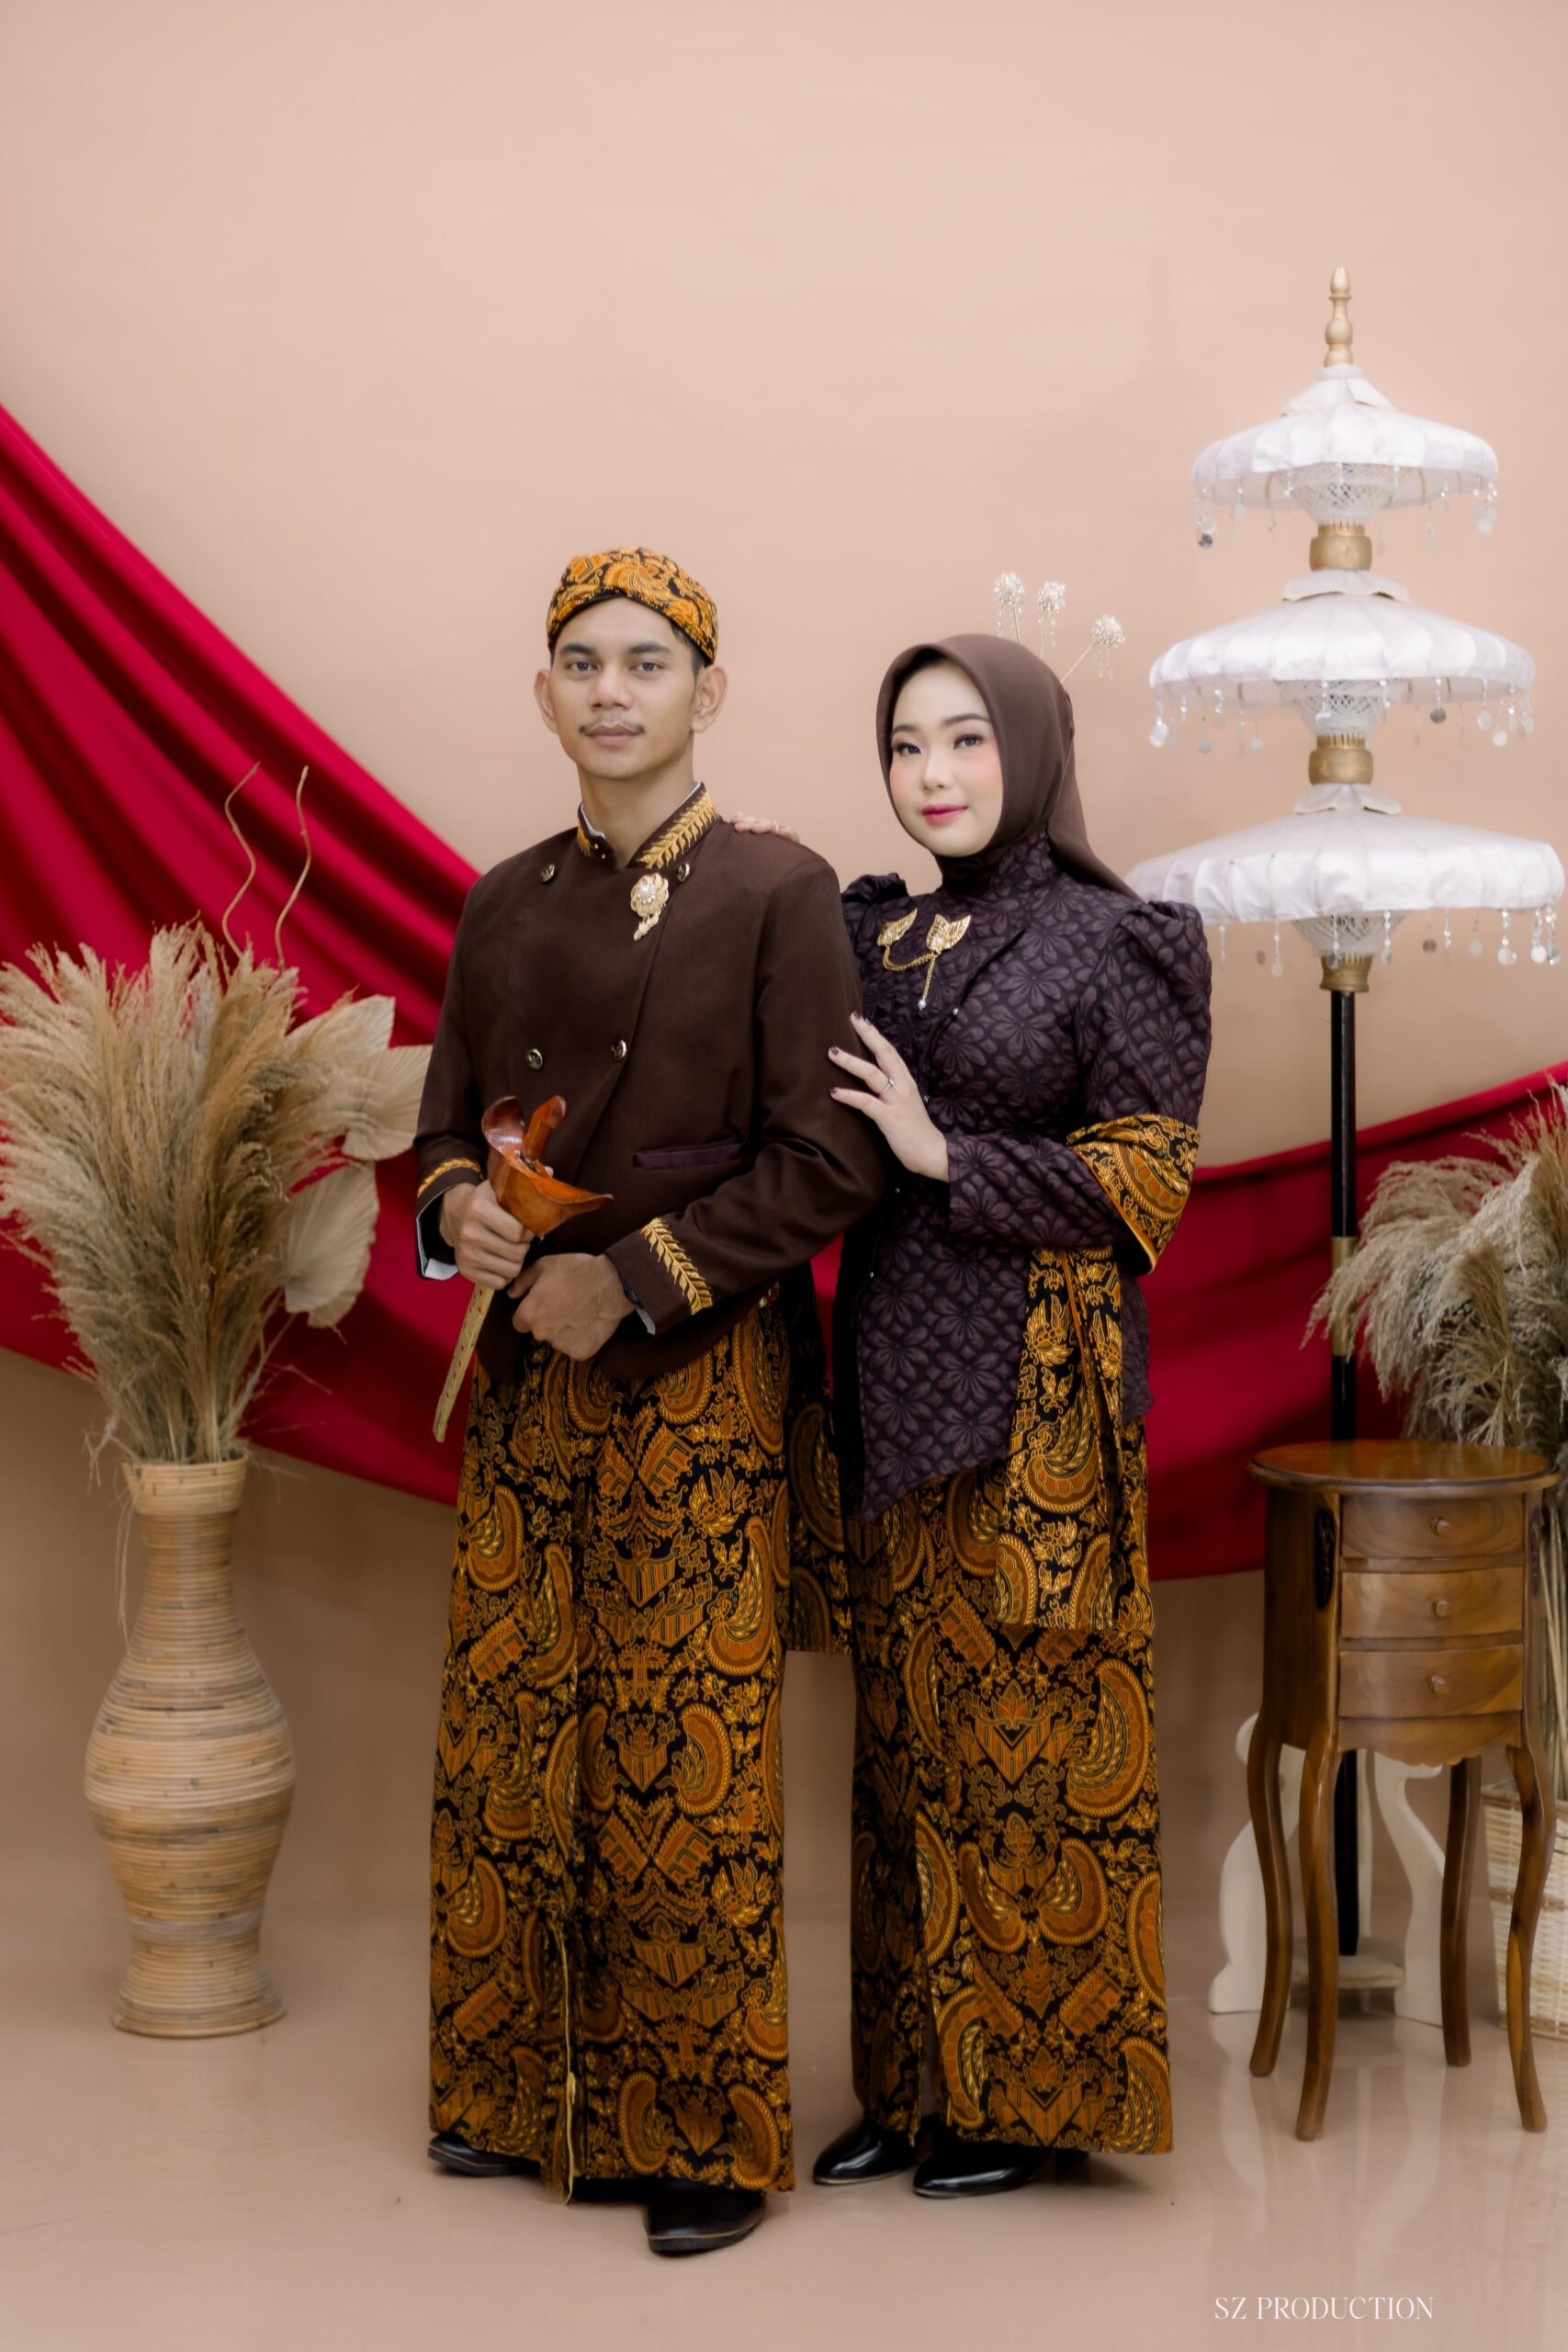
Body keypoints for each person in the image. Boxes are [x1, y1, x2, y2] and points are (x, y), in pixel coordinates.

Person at [413, 548, 884, 2256]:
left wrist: (634, 1279)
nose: (611, 691)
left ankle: (702, 2133)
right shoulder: (501, 899)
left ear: (709, 691)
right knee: (512, 1734)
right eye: (582, 664)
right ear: (545, 695)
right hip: (528, 1382)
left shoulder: (779, 889)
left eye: (647, 662)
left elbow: (828, 1162)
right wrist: (455, 1209)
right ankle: (506, 2088)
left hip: (701, 1377)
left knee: (688, 1744)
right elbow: (445, 1126)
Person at [807, 634, 1211, 2195]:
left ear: (1031, 748)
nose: (933, 775)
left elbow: (1146, 1182)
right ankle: (914, 2089)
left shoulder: (1120, 940)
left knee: (1029, 1748)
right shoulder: (868, 932)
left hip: (1036, 1399)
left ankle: (1028, 2109)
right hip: (887, 1381)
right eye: (907, 744)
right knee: (903, 1748)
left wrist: (942, 1157)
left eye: (967, 740)